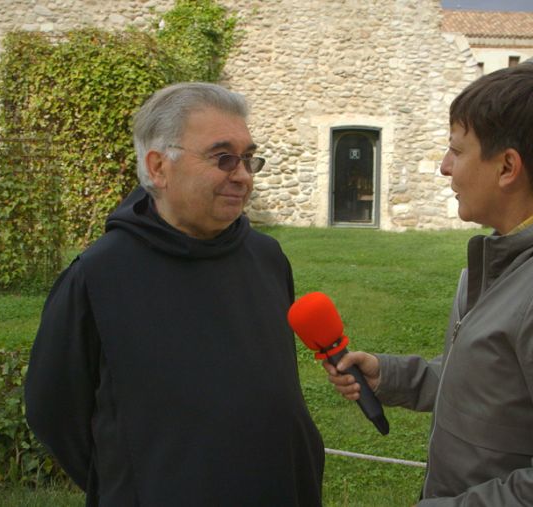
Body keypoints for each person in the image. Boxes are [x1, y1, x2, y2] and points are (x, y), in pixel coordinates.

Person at [324, 63, 533, 506]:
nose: (445, 168)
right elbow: (490, 386)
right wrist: (392, 375)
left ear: (507, 167)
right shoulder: (511, 252)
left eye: (457, 151)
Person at [25, 82, 324, 506]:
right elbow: (52, 412)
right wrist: (137, 480)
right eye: (223, 158)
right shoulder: (98, 276)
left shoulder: (266, 257)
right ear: (159, 167)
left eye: (247, 159)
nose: (241, 174)